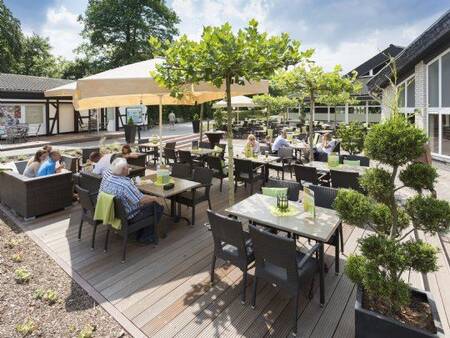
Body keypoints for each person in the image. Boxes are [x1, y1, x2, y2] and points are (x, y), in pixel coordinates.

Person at [100, 158, 164, 244]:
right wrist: (155, 198)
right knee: (158, 206)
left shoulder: (108, 179)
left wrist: (149, 197)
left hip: (114, 213)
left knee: (149, 200)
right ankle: (146, 236)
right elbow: (141, 200)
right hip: (129, 216)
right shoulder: (125, 185)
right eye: (127, 167)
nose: (129, 168)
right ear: (123, 170)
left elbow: (138, 197)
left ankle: (142, 229)